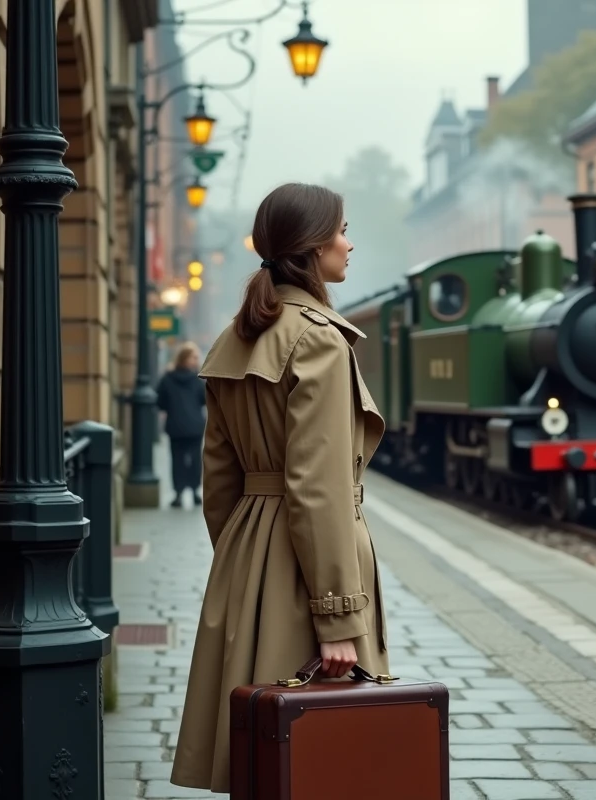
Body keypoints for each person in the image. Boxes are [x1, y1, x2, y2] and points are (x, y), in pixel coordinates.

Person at [170, 183, 388, 794]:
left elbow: (220, 480)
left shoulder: (236, 335)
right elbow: (317, 487)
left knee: (260, 755)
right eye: (342, 230)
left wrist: (243, 561)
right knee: (322, 758)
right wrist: (339, 616)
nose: (349, 242)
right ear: (313, 247)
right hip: (308, 566)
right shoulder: (317, 337)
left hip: (249, 555)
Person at [156, 341, 207, 508]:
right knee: (194, 460)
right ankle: (194, 492)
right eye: (194, 357)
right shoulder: (197, 380)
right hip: (194, 426)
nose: (196, 360)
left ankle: (178, 493)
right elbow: (205, 400)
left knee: (177, 459)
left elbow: (160, 402)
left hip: (175, 426)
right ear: (185, 358)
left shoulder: (167, 379)